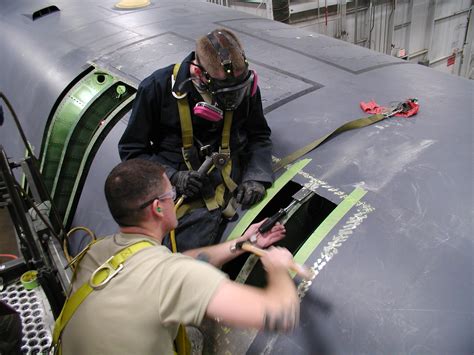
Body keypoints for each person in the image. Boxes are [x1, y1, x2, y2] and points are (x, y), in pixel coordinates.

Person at [57, 159, 299, 354]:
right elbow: (278, 315)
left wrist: (243, 243)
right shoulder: (173, 276)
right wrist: (279, 268)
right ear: (158, 208)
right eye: (170, 193)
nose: (175, 198)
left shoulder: (98, 250)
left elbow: (183, 263)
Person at [118, 28, 273, 251]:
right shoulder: (156, 88)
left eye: (238, 90)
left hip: (232, 179)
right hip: (180, 190)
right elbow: (132, 151)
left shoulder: (243, 86)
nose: (234, 100)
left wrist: (257, 177)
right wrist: (171, 176)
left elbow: (259, 135)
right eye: (225, 92)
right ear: (199, 74)